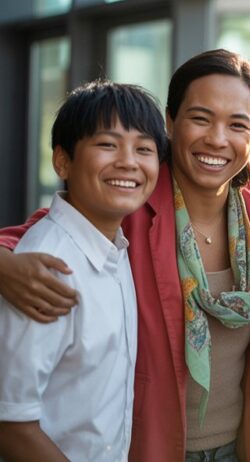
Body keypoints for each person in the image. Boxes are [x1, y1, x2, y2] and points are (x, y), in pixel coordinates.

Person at [0, 49, 250, 461]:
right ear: (170, 122)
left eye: (238, 125)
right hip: (153, 445)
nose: (218, 139)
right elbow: (50, 228)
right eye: (200, 118)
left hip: (237, 444)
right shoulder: (131, 193)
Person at [0, 81, 166, 461]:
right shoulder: (48, 267)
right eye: (108, 145)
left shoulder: (116, 247)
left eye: (144, 149)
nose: (128, 161)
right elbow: (11, 422)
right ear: (62, 161)